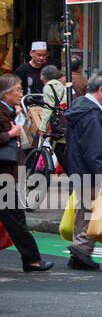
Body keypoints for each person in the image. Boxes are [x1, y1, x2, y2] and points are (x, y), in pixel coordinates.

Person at [63, 72, 102, 271]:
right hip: (89, 171)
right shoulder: (92, 114)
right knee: (90, 211)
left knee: (83, 210)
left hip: (78, 168)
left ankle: (79, 250)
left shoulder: (78, 108)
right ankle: (82, 250)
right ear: (101, 90)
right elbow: (94, 148)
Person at [0, 75, 51, 272]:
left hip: (9, 174)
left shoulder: (8, 110)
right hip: (4, 176)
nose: (21, 94)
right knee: (16, 220)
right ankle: (32, 260)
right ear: (6, 94)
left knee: (15, 218)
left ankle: (31, 259)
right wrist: (10, 134)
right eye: (18, 90)